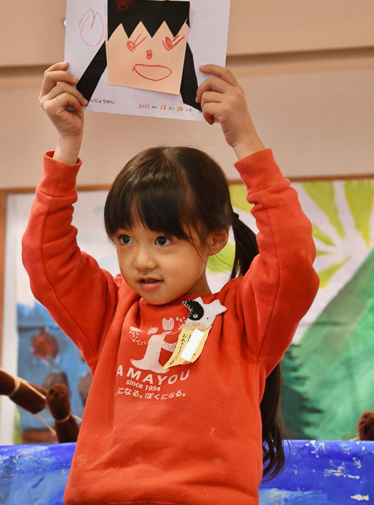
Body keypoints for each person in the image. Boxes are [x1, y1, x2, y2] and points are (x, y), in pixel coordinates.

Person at [22, 61, 319, 505]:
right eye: (125, 239)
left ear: (215, 238)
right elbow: (45, 258)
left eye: (163, 240)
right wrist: (67, 145)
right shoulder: (110, 312)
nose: (141, 260)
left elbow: (292, 259)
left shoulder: (244, 320)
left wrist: (245, 138)